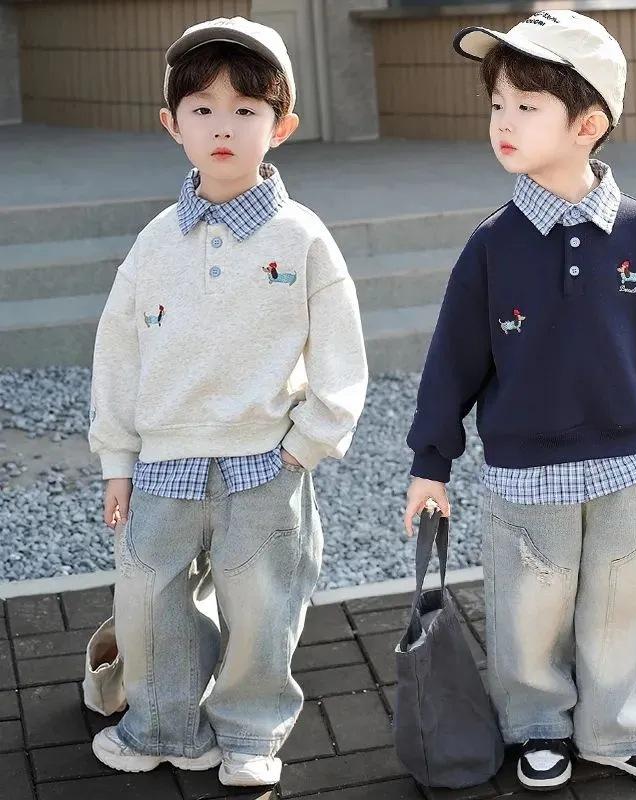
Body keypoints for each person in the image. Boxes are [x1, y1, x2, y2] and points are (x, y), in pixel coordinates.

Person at [404, 10, 636, 792]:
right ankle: (535, 724)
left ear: (587, 125)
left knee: (625, 602)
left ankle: (617, 727)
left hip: (628, 468)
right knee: (529, 607)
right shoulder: (492, 245)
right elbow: (452, 360)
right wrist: (431, 462)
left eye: (527, 105)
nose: (503, 121)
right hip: (524, 476)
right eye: (497, 104)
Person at [87, 17, 368, 789]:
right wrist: (117, 461)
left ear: (282, 127)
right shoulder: (154, 242)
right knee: (150, 600)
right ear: (171, 123)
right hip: (163, 461)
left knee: (263, 605)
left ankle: (249, 733)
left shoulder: (302, 237)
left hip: (264, 461)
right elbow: (118, 353)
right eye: (202, 108)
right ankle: (164, 725)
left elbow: (340, 353)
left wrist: (305, 446)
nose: (223, 126)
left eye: (246, 109)